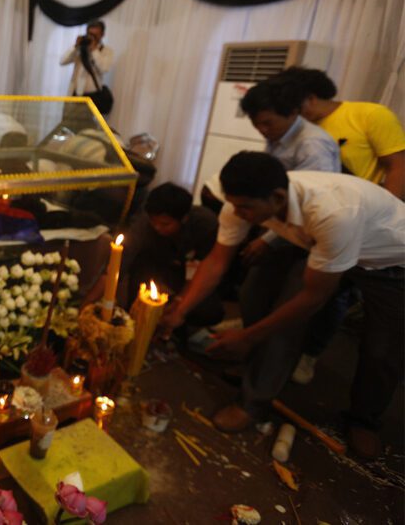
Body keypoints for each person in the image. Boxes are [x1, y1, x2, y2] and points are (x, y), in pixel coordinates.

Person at [161, 152, 405, 459]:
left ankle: (364, 421)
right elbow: (216, 262)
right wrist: (180, 310)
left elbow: (313, 297)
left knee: (382, 349)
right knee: (259, 298)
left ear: (277, 198)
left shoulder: (333, 212)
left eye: (245, 207)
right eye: (233, 204)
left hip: (392, 264)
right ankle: (254, 395)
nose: (237, 213)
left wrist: (247, 337)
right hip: (328, 247)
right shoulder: (244, 203)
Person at [239, 79, 343, 383]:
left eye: (267, 123)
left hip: (313, 238)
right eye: (257, 123)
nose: (262, 130)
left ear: (292, 113)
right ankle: (250, 360)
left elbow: (311, 204)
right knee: (252, 296)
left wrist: (268, 240)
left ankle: (262, 387)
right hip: (284, 230)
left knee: (288, 313)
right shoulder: (279, 135)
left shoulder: (313, 145)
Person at [87, 183, 222, 328]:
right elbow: (116, 266)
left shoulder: (204, 223)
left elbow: (204, 269)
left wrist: (180, 303)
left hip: (187, 273)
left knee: (209, 311)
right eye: (153, 221)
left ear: (184, 218)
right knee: (140, 308)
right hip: (153, 267)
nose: (157, 227)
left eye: (165, 224)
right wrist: (88, 303)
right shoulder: (143, 224)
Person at [283, 67, 405, 198]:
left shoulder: (370, 114)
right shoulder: (293, 127)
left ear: (311, 99)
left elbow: (399, 165)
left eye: (293, 106)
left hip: (358, 202)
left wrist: (387, 206)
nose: (290, 113)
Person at [60, 19, 114, 97]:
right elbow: (62, 61)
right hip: (75, 93)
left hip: (93, 95)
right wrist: (75, 46)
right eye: (90, 34)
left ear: (102, 34)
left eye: (95, 35)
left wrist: (94, 50)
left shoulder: (107, 51)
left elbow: (104, 69)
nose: (92, 37)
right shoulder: (81, 48)